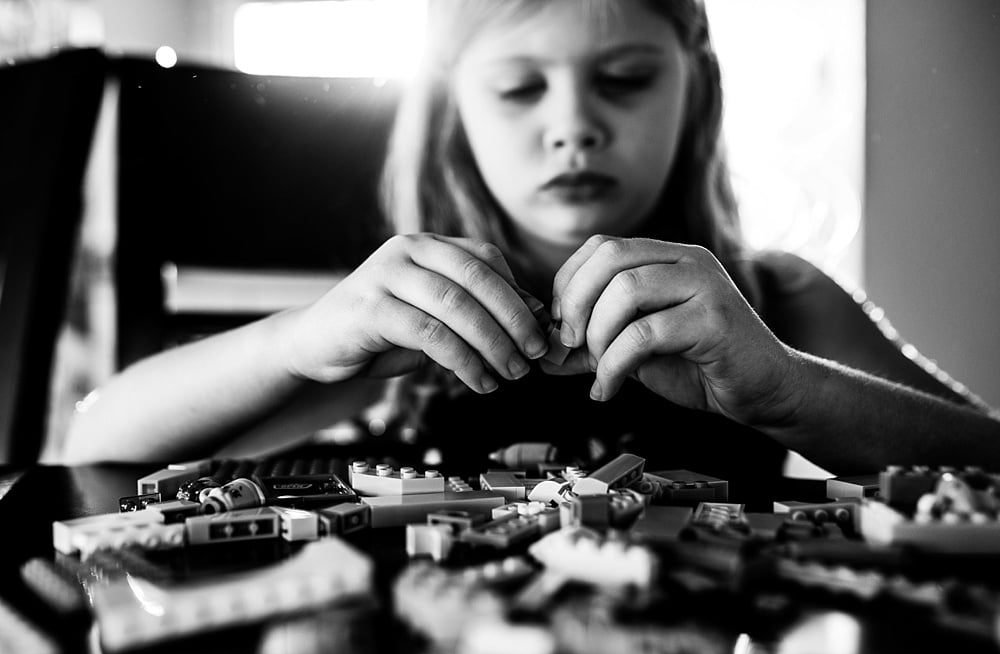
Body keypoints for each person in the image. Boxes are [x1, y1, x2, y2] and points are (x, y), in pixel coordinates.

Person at [62, 0, 1000, 497]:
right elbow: (97, 442)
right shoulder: (403, 305)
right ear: (453, 111)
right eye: (518, 89)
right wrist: (300, 342)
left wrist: (789, 388)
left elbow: (989, 464)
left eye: (625, 80)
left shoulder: (773, 300)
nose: (573, 127)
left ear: (697, 92)